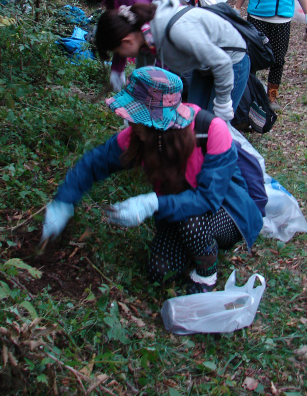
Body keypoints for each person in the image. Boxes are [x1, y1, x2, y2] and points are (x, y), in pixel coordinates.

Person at [41, 67, 263, 293]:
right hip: (178, 212)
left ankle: (207, 274)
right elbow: (96, 162)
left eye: (136, 117)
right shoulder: (140, 136)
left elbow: (208, 199)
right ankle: (194, 246)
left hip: (226, 211)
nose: (130, 123)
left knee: (192, 223)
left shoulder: (212, 131)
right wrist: (63, 201)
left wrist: (151, 203)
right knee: (160, 270)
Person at [95, 0, 251, 122]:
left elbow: (222, 62)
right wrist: (133, 115)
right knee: (193, 119)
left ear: (127, 41)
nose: (123, 56)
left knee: (214, 125)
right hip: (203, 65)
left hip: (230, 60)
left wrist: (223, 104)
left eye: (118, 52)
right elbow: (143, 80)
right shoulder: (145, 42)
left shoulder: (177, 31)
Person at [65, 0, 174, 90]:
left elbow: (154, 36)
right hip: (156, 46)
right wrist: (117, 69)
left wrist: (160, 78)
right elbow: (120, 33)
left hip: (172, 42)